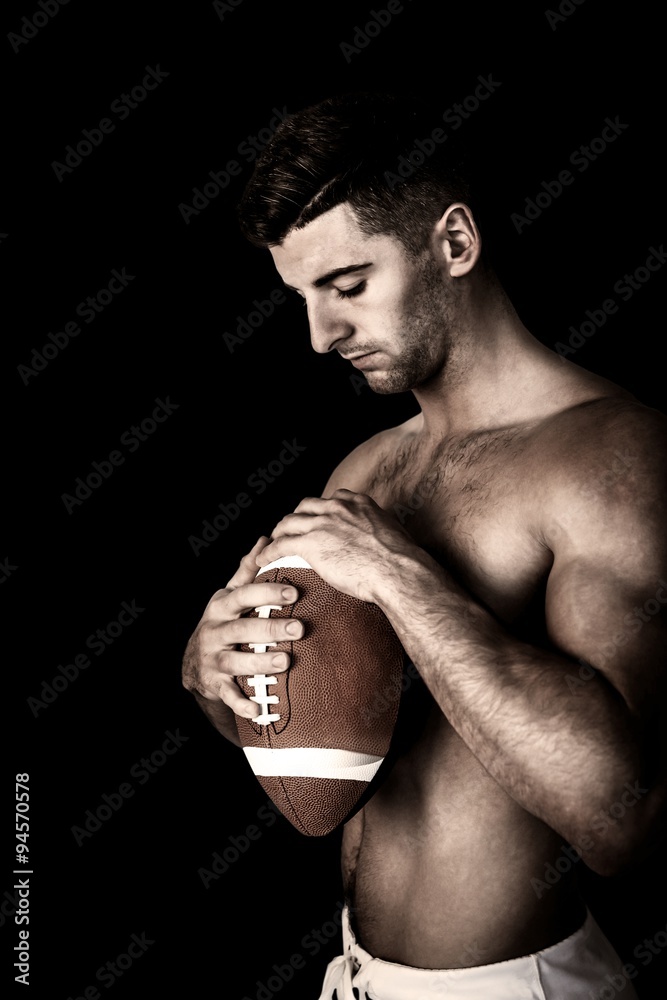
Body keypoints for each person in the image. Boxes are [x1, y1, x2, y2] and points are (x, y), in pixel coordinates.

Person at [182, 92, 666, 999]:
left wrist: (402, 579)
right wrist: (217, 677)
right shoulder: (363, 469)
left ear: (453, 244)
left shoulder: (610, 457)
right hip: (354, 976)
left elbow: (623, 820)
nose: (320, 338)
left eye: (348, 287)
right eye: (301, 299)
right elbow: (318, 789)